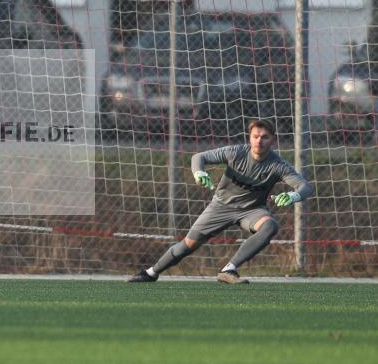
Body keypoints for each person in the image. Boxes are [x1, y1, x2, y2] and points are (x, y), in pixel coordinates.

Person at [128, 119, 313, 284]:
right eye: (255, 136)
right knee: (188, 245)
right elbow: (198, 157)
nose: (259, 141)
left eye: (264, 137)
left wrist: (293, 196)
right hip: (220, 206)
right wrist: (199, 172)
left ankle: (229, 269)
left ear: (272, 139)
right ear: (249, 137)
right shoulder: (236, 152)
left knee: (270, 226)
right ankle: (151, 273)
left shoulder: (277, 165)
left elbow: (305, 187)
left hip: (252, 210)